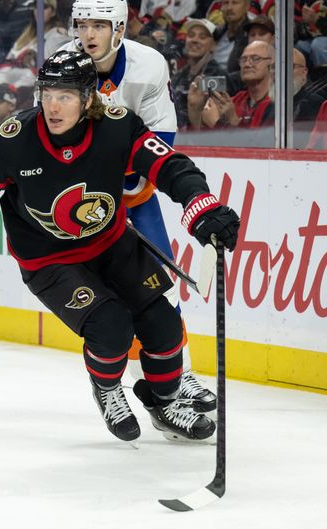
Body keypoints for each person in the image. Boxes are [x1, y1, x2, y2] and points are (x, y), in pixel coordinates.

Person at [0, 50, 240, 443]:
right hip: (49, 261)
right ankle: (108, 389)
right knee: (110, 326)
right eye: (47, 94)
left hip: (113, 244)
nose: (53, 105)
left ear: (88, 98)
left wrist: (202, 206)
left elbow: (170, 167)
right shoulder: (15, 139)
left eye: (65, 95)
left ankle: (165, 401)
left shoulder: (118, 127)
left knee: (164, 325)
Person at [60, 0, 217, 410]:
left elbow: (161, 139)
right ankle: (137, 388)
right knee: (111, 298)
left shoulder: (148, 64)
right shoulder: (64, 63)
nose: (88, 34)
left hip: (133, 193)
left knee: (159, 288)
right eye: (82, 24)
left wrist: (124, 186)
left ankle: (178, 375)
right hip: (83, 201)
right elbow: (53, 138)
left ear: (120, 26)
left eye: (99, 24)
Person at [192, 40, 274, 131]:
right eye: (243, 60)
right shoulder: (233, 102)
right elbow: (201, 140)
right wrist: (195, 108)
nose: (247, 64)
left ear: (272, 64)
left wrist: (219, 123)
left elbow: (259, 143)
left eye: (255, 59)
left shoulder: (279, 105)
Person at [170, 18, 231, 130]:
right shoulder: (179, 75)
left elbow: (214, 114)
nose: (195, 40)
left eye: (202, 37)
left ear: (213, 45)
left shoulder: (217, 76)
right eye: (191, 35)